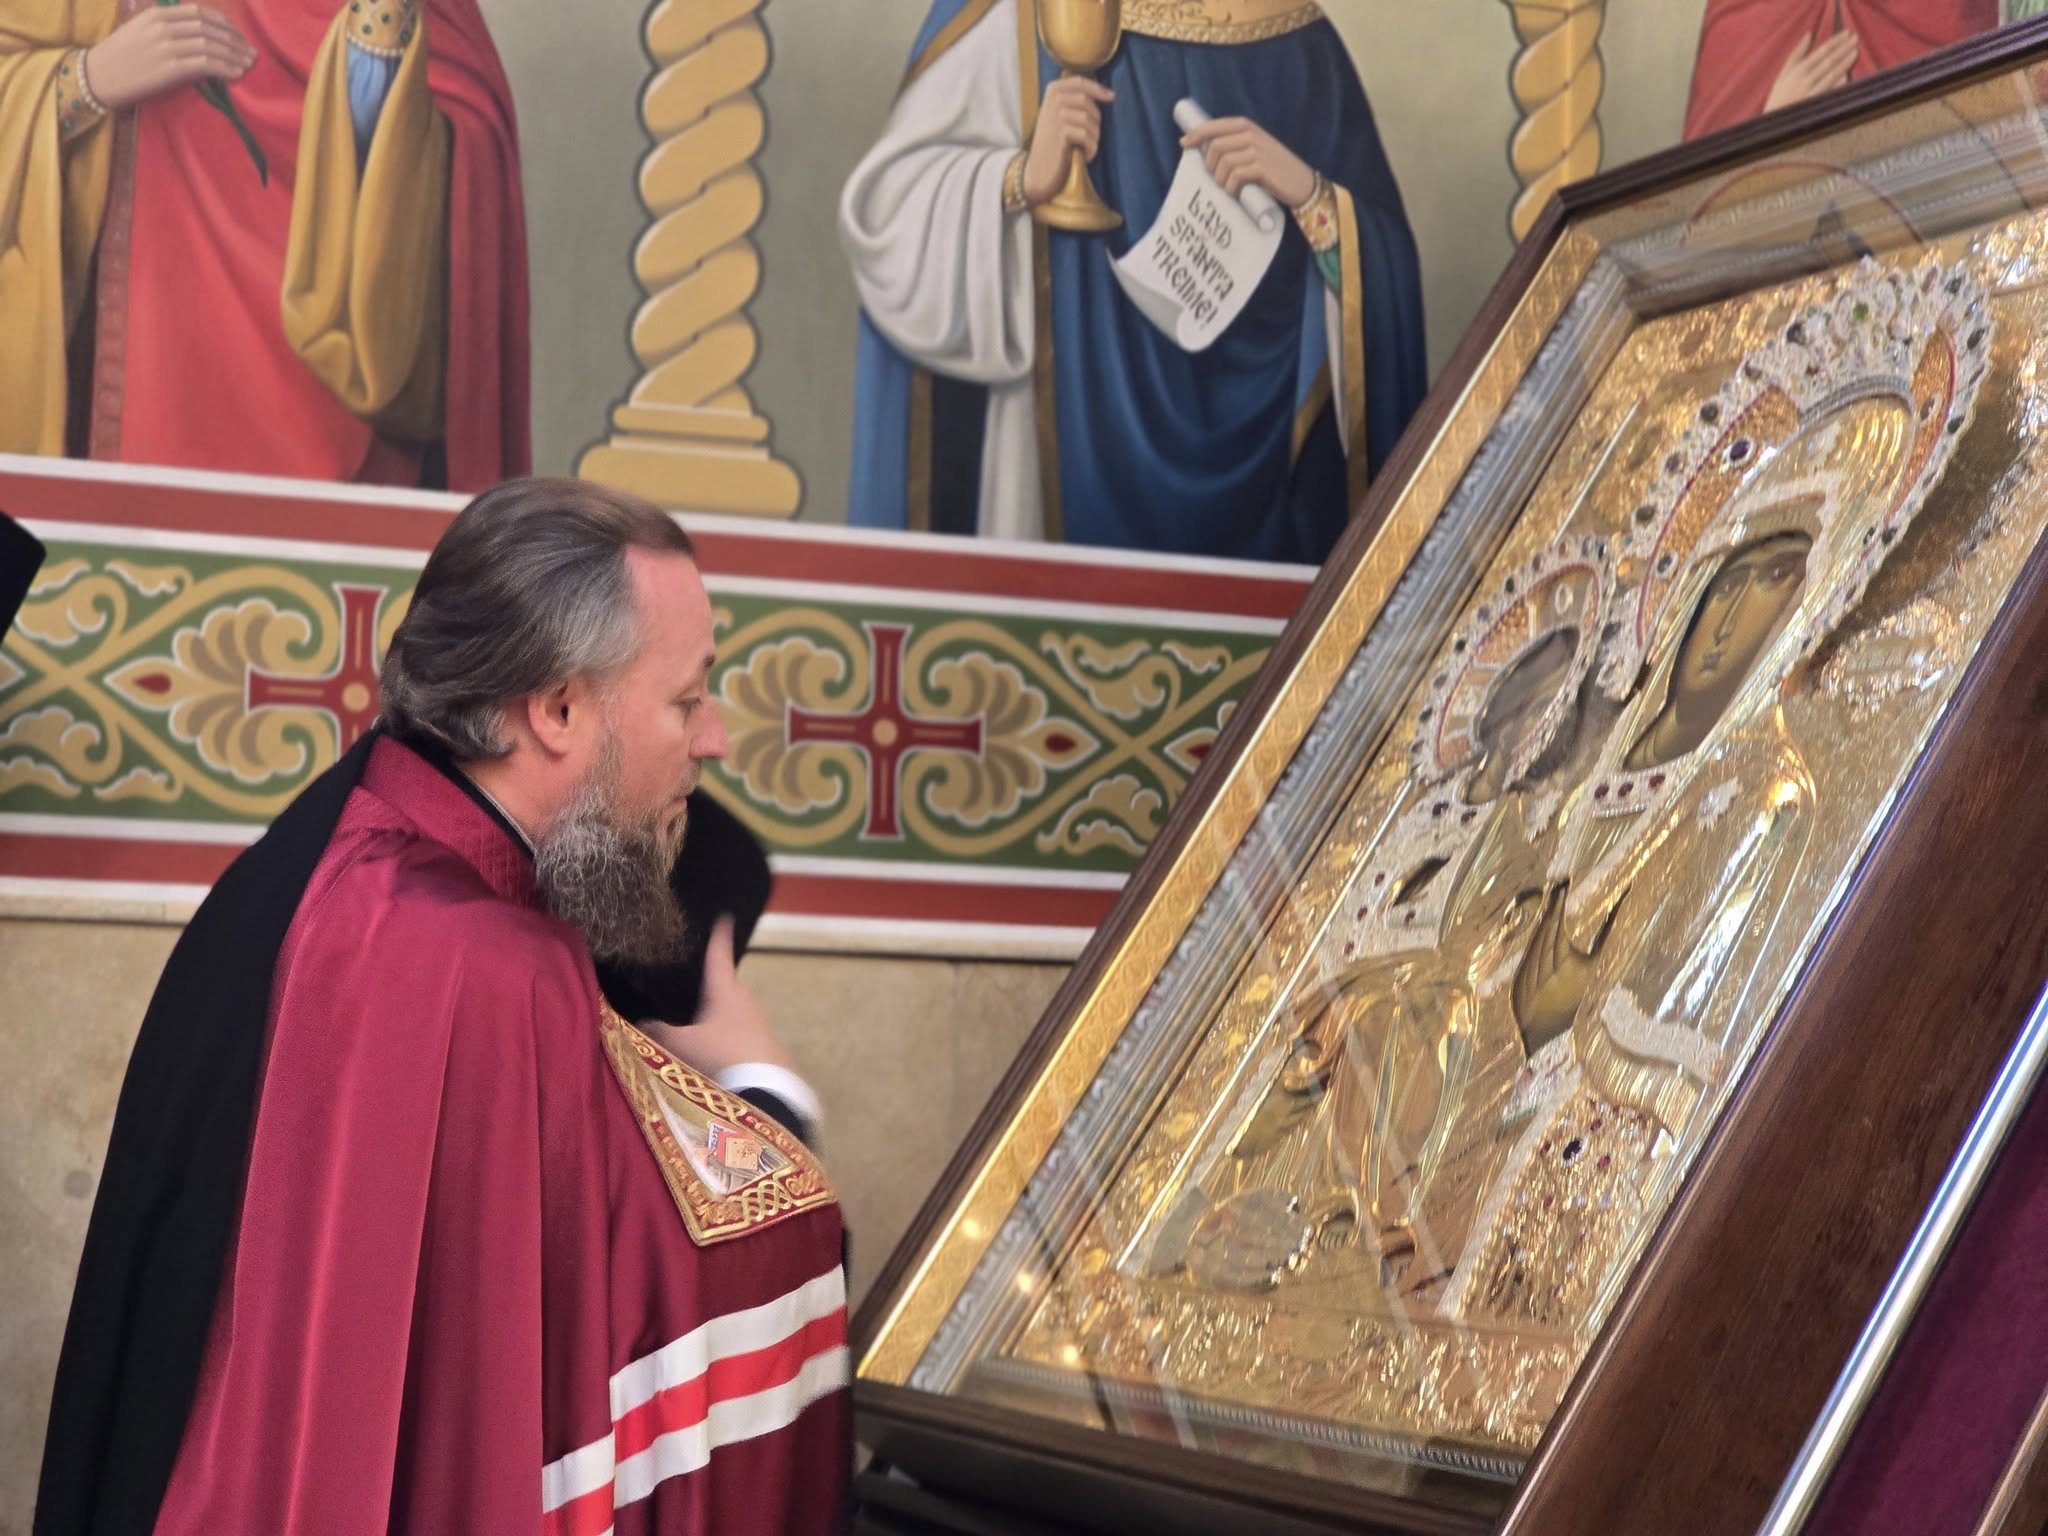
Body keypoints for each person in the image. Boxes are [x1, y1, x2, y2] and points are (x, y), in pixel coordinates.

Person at [36, 479, 847, 1535]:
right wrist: (763, 1091)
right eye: (687, 701)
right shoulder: (485, 967)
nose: (715, 740)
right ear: (557, 709)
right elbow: (685, 1288)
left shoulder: (336, 844)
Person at [839, 0, 1426, 561]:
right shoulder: (1012, 20)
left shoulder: (1298, 37)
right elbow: (888, 217)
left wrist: (1308, 193)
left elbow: (1384, 273)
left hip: (1272, 502)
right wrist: (1018, 178)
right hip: (1061, 457)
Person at [0, 0, 527, 489]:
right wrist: (84, 81)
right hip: (122, 394)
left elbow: (466, 126)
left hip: (316, 418)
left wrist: (375, 63)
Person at [1683, 0, 1999, 141]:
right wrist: (1770, 129)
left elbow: (1987, 145)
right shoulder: (1742, 13)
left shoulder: (1949, 8)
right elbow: (1699, 215)